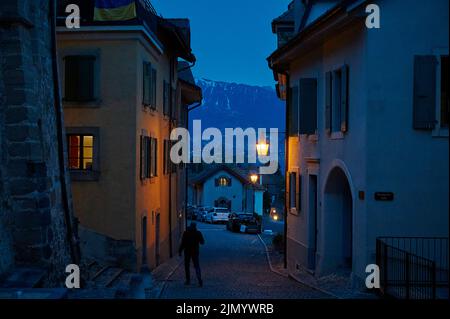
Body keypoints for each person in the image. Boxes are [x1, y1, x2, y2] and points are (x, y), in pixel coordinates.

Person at [179, 222, 205, 287]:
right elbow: (202, 242)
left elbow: (183, 243)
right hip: (195, 252)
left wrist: (180, 251)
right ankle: (199, 280)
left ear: (190, 226)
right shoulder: (198, 233)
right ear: (195, 226)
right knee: (196, 266)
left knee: (187, 266)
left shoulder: (186, 233)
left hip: (187, 251)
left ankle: (188, 280)